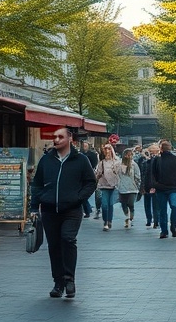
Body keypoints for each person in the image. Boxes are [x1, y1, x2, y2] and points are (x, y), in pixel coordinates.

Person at [29, 126, 97, 299]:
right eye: (54, 137)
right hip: (50, 210)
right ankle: (58, 282)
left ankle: (69, 279)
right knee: (54, 246)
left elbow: (91, 182)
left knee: (68, 239)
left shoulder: (80, 160)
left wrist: (78, 198)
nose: (56, 140)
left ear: (70, 139)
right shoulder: (46, 160)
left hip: (72, 209)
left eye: (60, 137)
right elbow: (36, 184)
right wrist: (34, 207)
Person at [150, 139, 176, 239]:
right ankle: (173, 227)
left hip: (161, 188)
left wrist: (155, 184)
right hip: (173, 187)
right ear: (169, 148)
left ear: (161, 149)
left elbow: (153, 174)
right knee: (174, 207)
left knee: (162, 210)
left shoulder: (157, 159)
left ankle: (164, 231)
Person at [94, 143, 120, 231]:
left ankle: (109, 221)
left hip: (113, 185)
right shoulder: (101, 163)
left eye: (109, 150)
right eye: (106, 150)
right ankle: (105, 221)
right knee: (105, 204)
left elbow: (119, 173)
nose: (108, 152)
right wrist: (98, 175)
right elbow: (97, 174)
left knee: (110, 204)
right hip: (104, 185)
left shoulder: (116, 162)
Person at [116, 148, 142, 228]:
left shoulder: (134, 164)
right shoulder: (119, 164)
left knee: (131, 204)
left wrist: (138, 184)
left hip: (132, 188)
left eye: (130, 155)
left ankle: (131, 218)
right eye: (127, 154)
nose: (129, 156)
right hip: (122, 188)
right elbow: (116, 174)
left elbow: (137, 176)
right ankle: (126, 217)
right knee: (124, 204)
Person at [81, 140, 101, 219]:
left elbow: (95, 164)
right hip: (82, 176)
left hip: (90, 176)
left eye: (85, 146)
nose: (84, 147)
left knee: (85, 195)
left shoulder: (92, 154)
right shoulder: (81, 154)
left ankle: (89, 210)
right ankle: (87, 210)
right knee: (83, 195)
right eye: (83, 146)